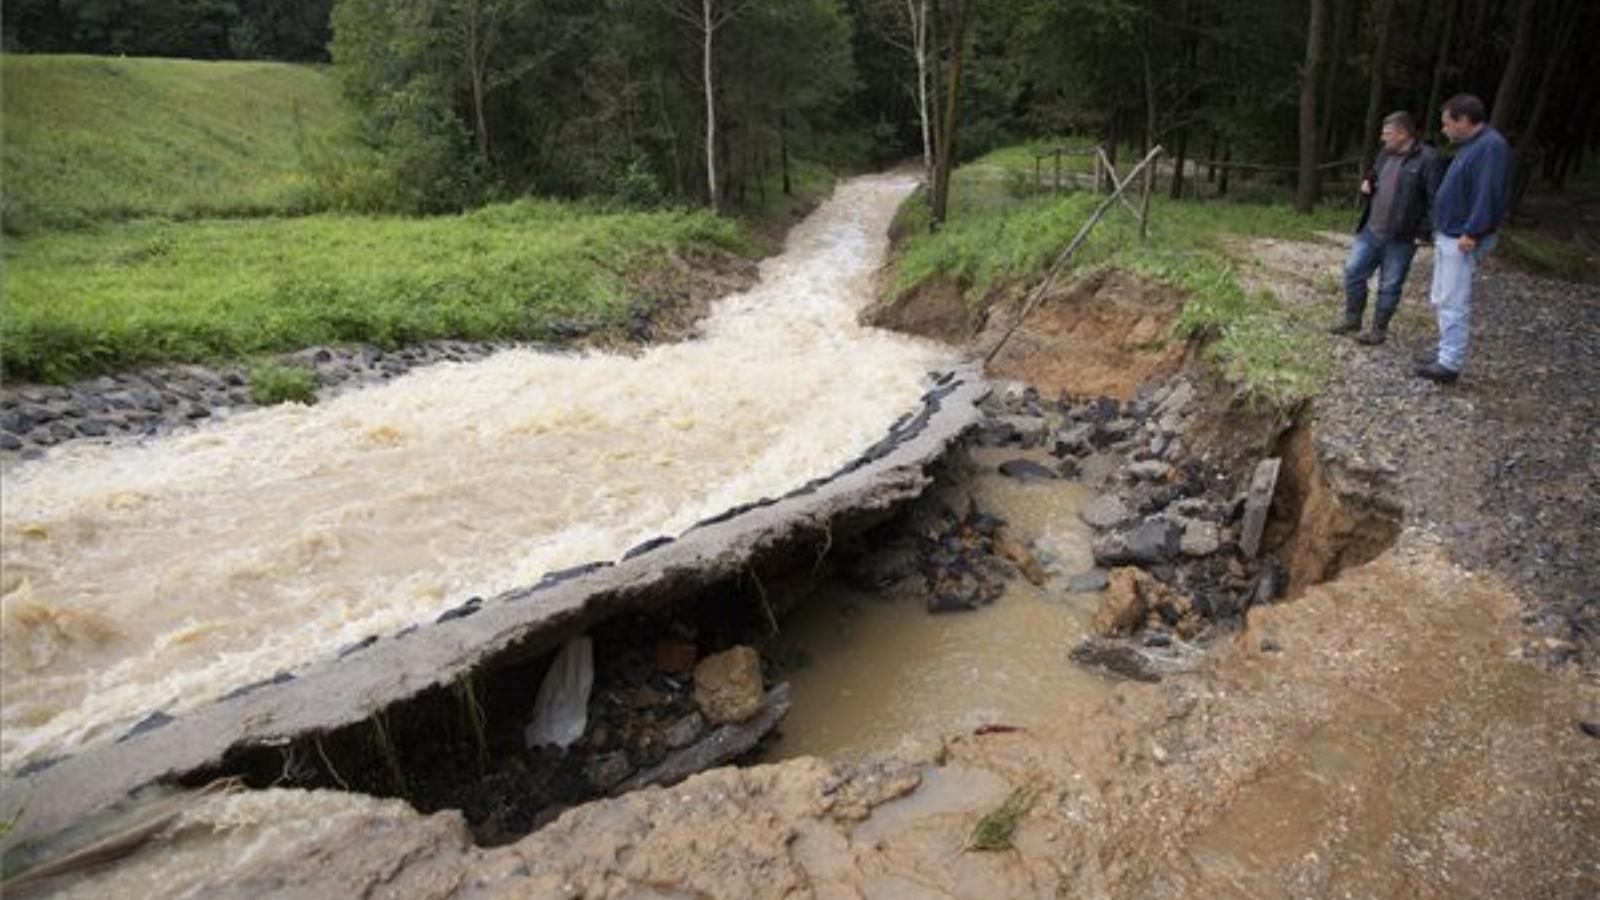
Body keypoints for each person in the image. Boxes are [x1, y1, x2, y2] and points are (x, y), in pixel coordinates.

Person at [1416, 93, 1512, 384]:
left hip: (1463, 235)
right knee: (1442, 295)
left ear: (1464, 120)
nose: (1444, 129)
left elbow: (1488, 192)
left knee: (1454, 298)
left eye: (1447, 123)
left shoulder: (1491, 147)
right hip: (1451, 232)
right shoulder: (1473, 145)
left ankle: (1449, 363)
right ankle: (1445, 351)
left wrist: (1473, 230)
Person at [1332, 111, 1438, 345]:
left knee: (1390, 284)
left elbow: (1434, 199)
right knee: (1353, 272)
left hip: (1401, 235)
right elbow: (1373, 179)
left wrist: (1425, 231)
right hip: (1371, 229)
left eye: (1387, 133)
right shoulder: (1384, 154)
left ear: (1403, 133)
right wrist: (1366, 185)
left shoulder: (1427, 159)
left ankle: (1378, 329)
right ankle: (1352, 317)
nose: (1383, 138)